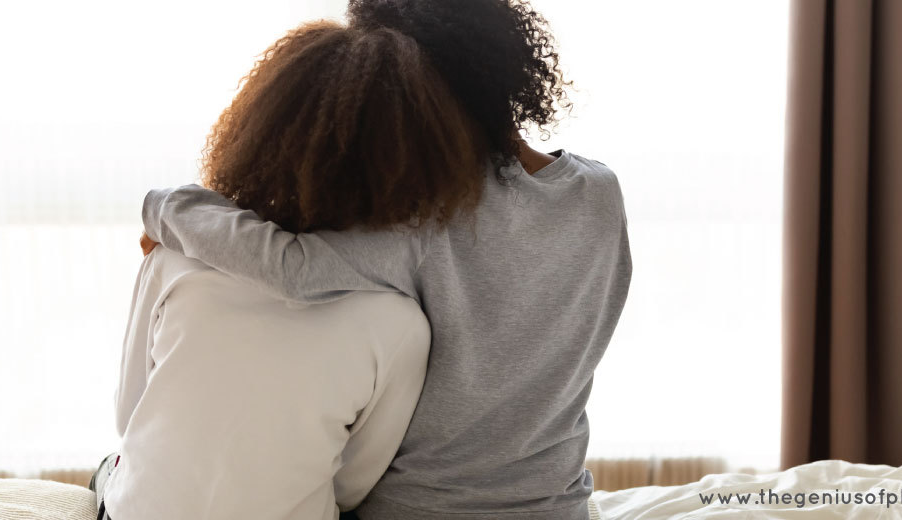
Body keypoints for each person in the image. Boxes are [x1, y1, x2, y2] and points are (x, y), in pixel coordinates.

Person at [139, 0, 632, 518]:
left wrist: (166, 206)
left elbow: (291, 266)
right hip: (559, 508)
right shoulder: (601, 193)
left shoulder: (432, 220)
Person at [92, 19, 491, 520]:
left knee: (112, 465)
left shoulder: (172, 261)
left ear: (261, 130)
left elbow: (130, 416)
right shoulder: (401, 324)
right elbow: (351, 486)